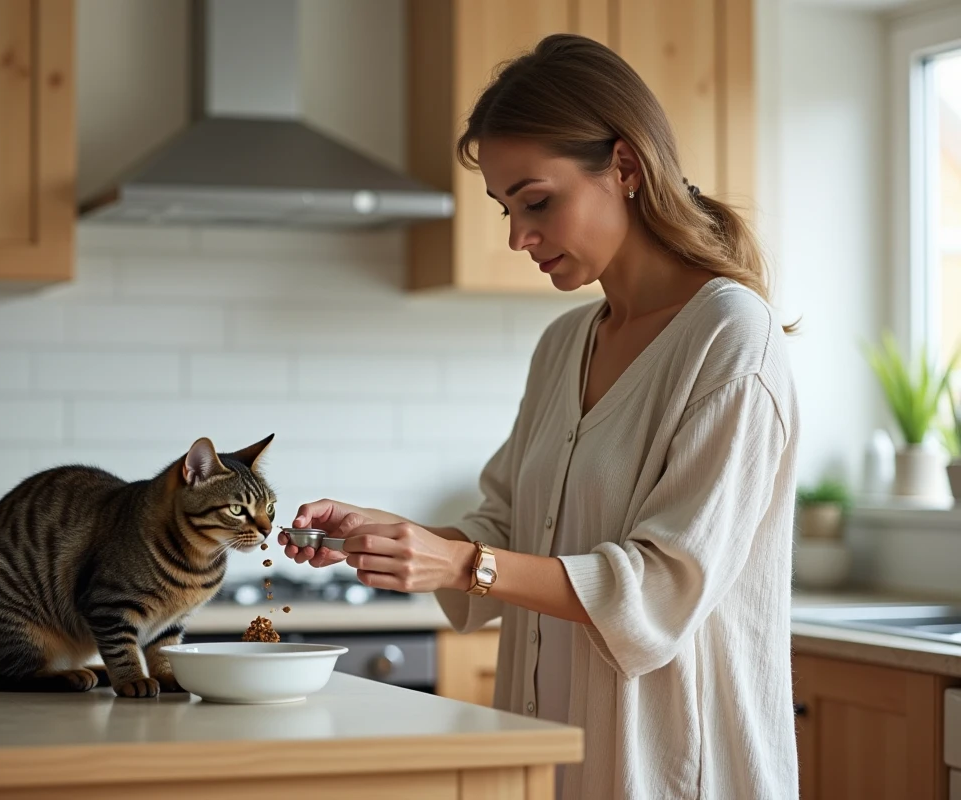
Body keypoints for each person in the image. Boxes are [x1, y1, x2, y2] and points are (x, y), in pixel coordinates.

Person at [279, 33, 799, 800]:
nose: (519, 236)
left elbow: (661, 588)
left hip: (678, 768)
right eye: (505, 209)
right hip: (554, 759)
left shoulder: (730, 336)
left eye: (537, 201)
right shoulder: (565, 344)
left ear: (624, 167)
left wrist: (460, 565)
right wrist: (401, 539)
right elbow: (509, 531)